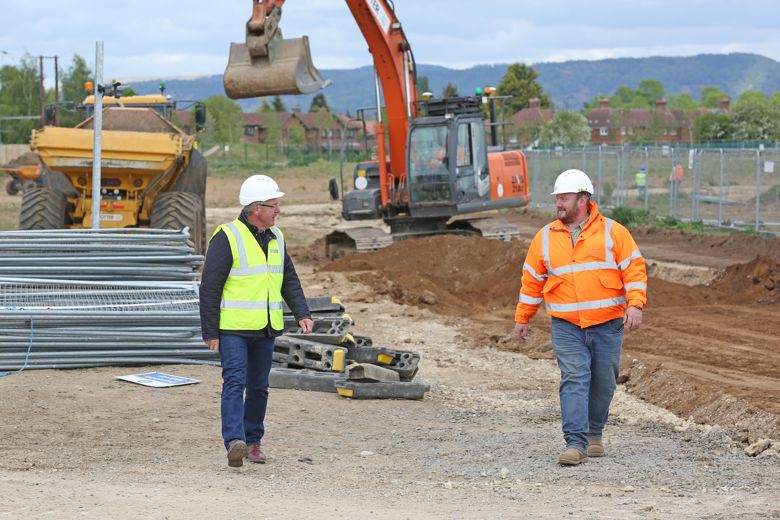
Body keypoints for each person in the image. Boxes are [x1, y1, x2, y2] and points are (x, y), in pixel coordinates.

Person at [513, 169, 647, 466]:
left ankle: (594, 434)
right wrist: (523, 317)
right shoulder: (545, 237)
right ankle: (575, 442)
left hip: (608, 324)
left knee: (603, 382)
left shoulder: (614, 232)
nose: (559, 204)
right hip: (566, 325)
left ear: (583, 199)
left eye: (564, 198)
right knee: (574, 378)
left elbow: (634, 270)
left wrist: (635, 305)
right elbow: (532, 280)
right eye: (558, 198)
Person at [199, 174, 314, 468]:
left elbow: (288, 277)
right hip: (234, 328)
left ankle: (253, 443)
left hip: (265, 327)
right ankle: (234, 441)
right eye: (274, 206)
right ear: (256, 208)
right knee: (235, 382)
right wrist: (210, 330)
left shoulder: (277, 237)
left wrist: (302, 312)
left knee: (260, 387)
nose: (279, 211)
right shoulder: (227, 236)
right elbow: (210, 286)